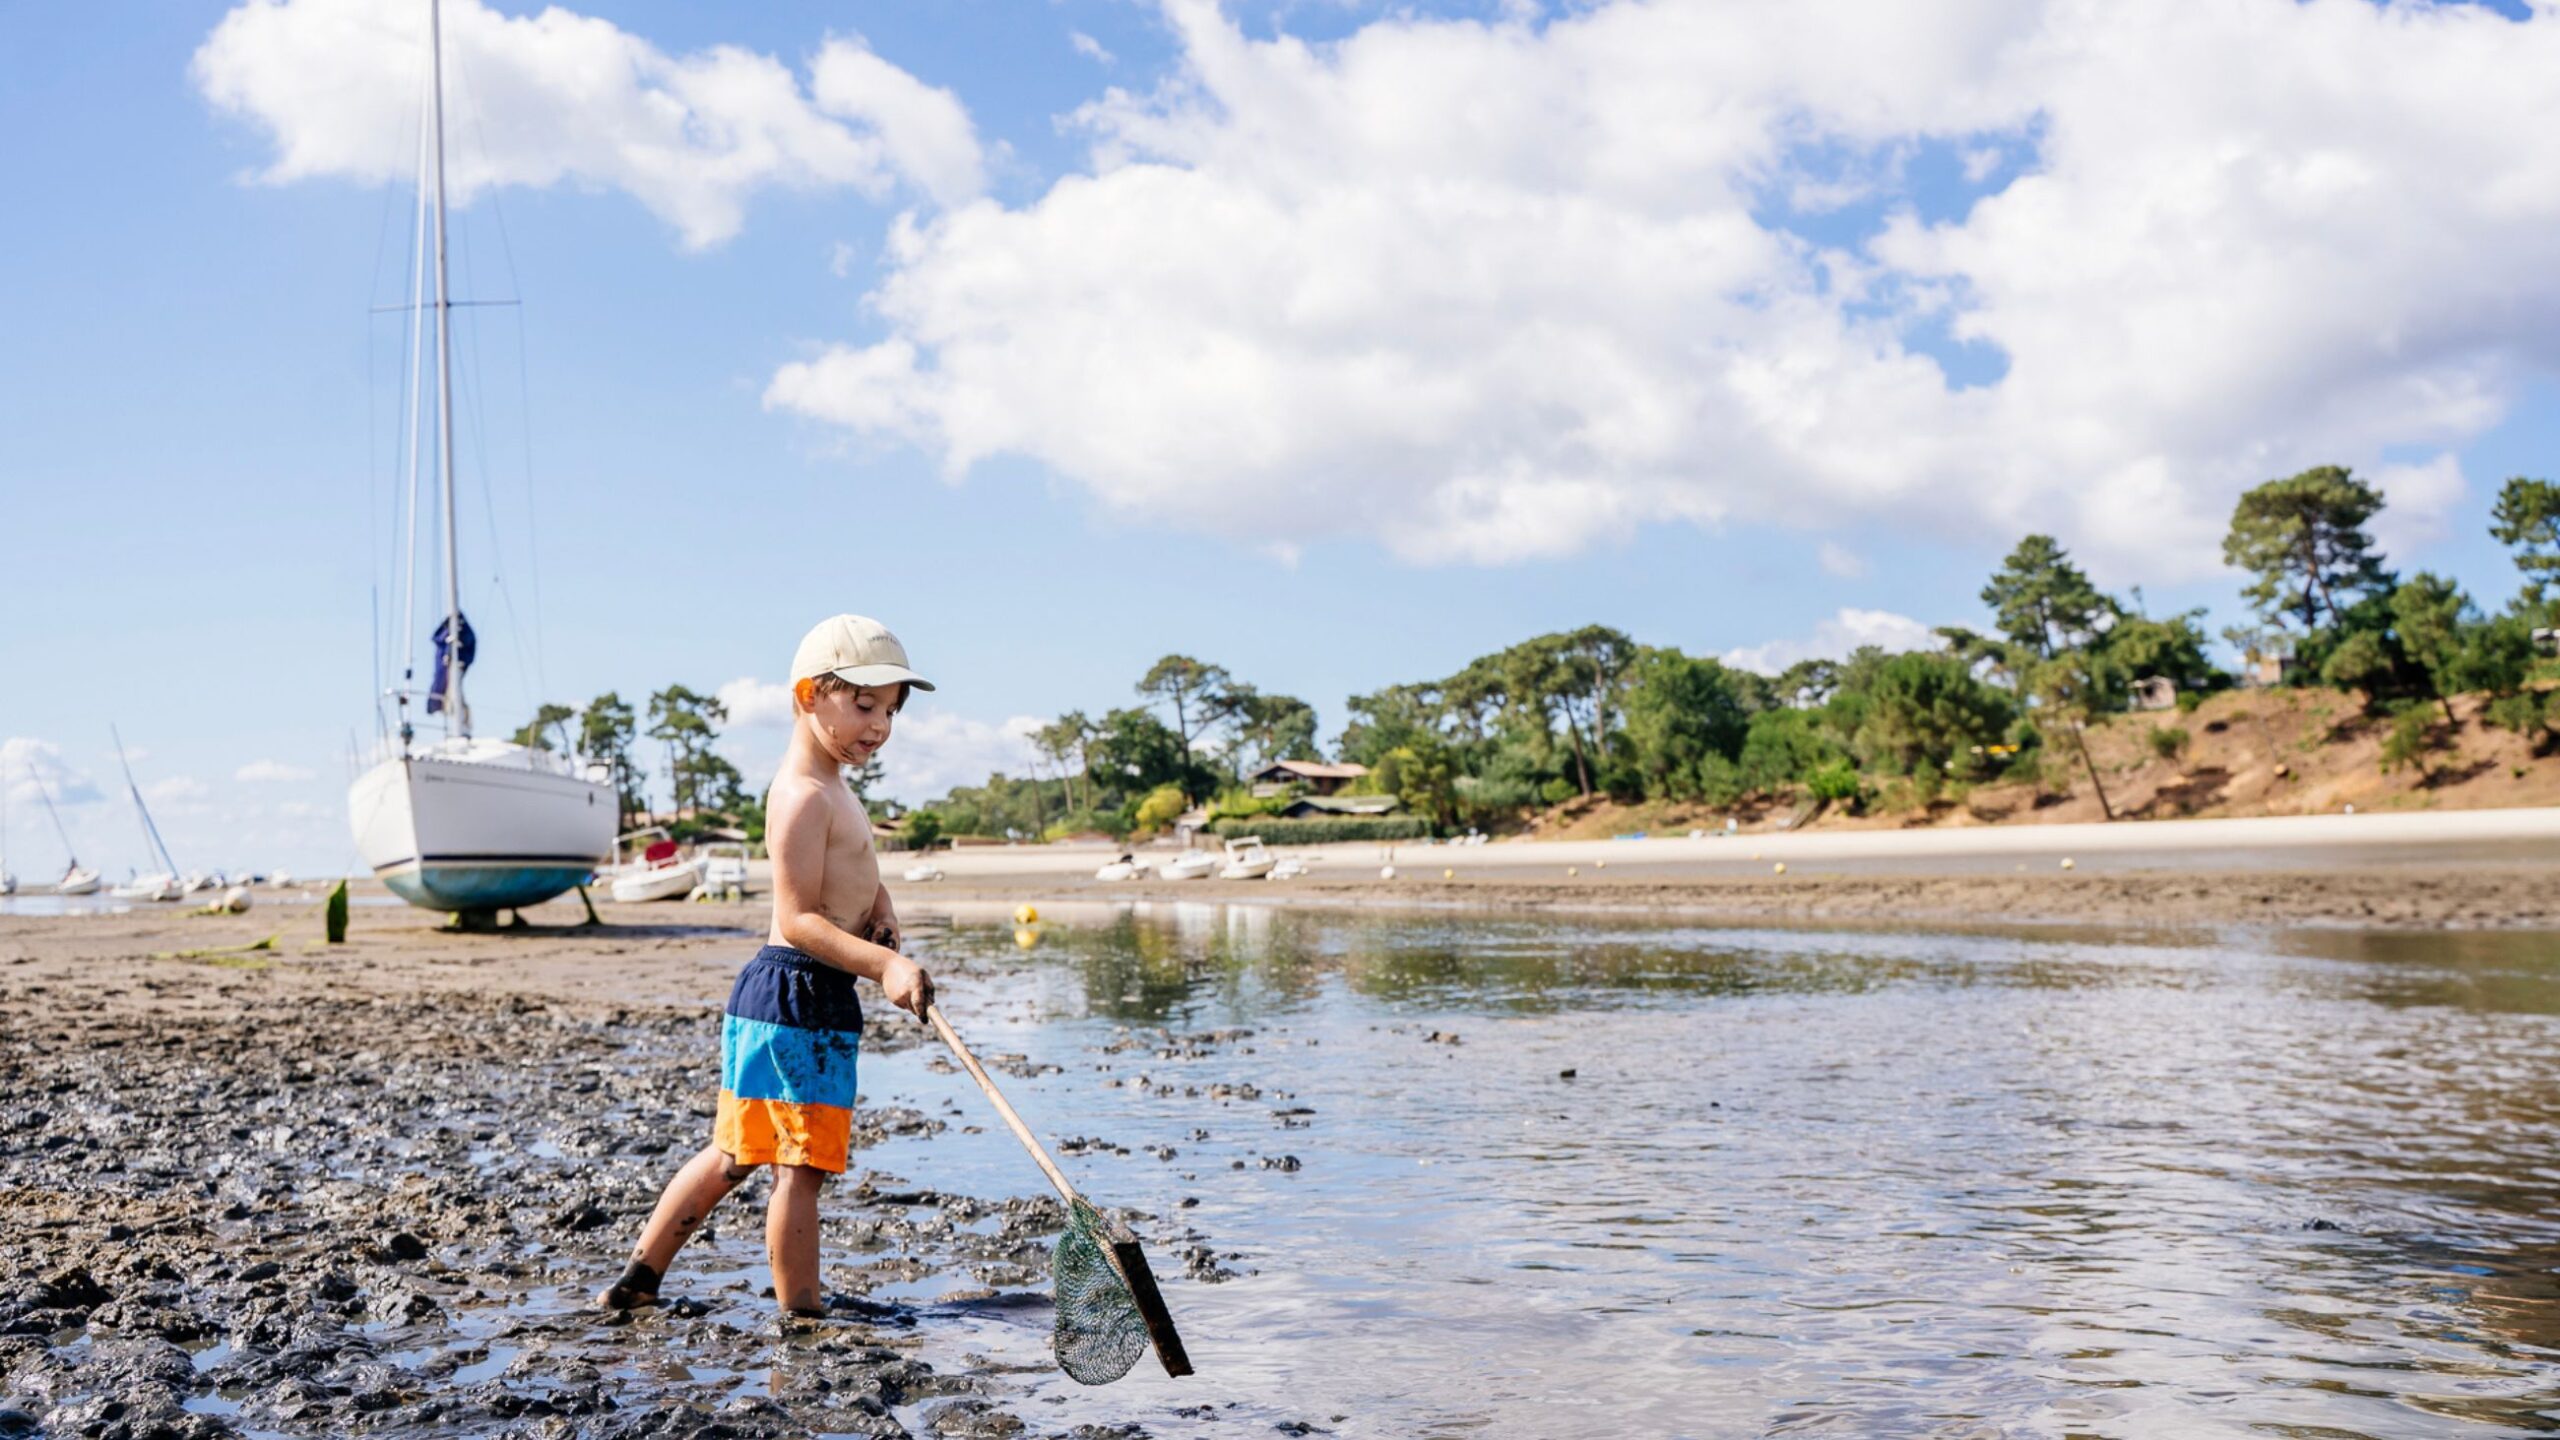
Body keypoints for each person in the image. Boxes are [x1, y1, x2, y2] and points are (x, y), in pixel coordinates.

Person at [598, 615, 938, 1316]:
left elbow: (852, 870)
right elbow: (797, 918)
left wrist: (881, 908)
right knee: (802, 1167)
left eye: (891, 712)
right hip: (802, 992)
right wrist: (884, 967)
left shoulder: (835, 786)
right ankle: (803, 1314)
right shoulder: (803, 795)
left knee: (737, 1152)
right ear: (810, 695)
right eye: (865, 705)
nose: (880, 726)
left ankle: (641, 1276)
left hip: (783, 993)